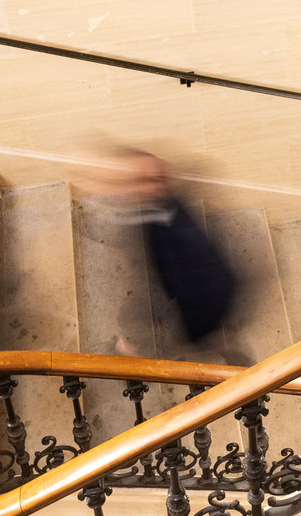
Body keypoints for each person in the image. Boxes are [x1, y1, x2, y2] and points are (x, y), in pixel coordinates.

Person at [99, 150, 239, 360]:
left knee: (191, 337)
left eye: (145, 180)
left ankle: (191, 354)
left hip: (203, 298)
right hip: (202, 291)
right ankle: (210, 347)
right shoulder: (165, 206)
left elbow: (190, 278)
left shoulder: (181, 231)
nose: (134, 187)